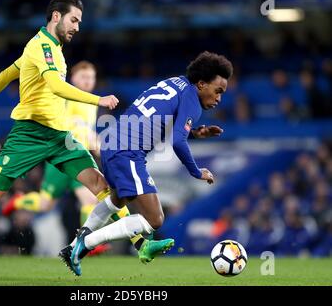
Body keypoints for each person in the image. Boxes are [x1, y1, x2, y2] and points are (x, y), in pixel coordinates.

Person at [0, 0, 168, 275]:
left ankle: (140, 242)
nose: (77, 27)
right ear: (56, 17)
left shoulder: (53, 48)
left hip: (60, 136)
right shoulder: (41, 46)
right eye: (74, 20)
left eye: (79, 22)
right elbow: (57, 87)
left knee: (103, 187)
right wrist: (98, 99)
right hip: (28, 135)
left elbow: (8, 73)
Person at [67, 51, 233, 276]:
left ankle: (74, 246)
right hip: (127, 152)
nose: (219, 99)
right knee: (155, 219)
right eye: (218, 91)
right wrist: (196, 171)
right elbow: (177, 142)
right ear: (202, 84)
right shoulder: (192, 99)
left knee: (116, 200)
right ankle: (83, 244)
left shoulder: (175, 83)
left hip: (112, 143)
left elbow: (161, 119)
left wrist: (195, 132)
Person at [1, 60, 172, 258]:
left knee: (91, 198)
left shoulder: (92, 101)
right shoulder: (68, 97)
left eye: (91, 77)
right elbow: (72, 126)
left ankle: (91, 242)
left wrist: (95, 141)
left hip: (78, 159)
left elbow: (85, 129)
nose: (87, 81)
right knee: (45, 204)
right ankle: (19, 201)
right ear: (73, 78)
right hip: (61, 159)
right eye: (83, 77)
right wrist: (94, 143)